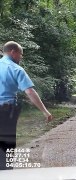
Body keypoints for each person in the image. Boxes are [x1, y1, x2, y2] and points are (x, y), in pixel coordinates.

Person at [0, 41, 53, 170]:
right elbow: (29, 91)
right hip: (5, 111)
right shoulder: (15, 69)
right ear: (13, 52)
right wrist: (45, 111)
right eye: (21, 54)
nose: (21, 57)